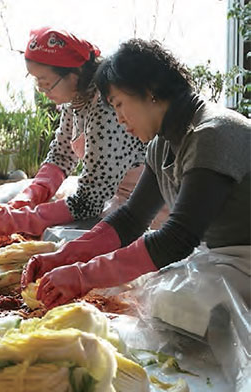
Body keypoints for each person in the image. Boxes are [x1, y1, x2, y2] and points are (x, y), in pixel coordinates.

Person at [22, 38, 250, 314]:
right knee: (144, 295)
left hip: (244, 263)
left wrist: (84, 275)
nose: (118, 118)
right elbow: (131, 219)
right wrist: (63, 256)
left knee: (166, 304)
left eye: (118, 104)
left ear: (150, 91)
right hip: (221, 261)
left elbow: (177, 238)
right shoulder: (161, 145)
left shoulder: (213, 133)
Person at [0, 27, 148, 242]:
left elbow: (90, 201)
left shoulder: (107, 110)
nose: (41, 90)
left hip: (145, 208)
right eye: (35, 82)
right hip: (112, 198)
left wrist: (20, 220)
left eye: (45, 82)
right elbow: (61, 156)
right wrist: (30, 196)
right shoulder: (76, 101)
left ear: (74, 74)